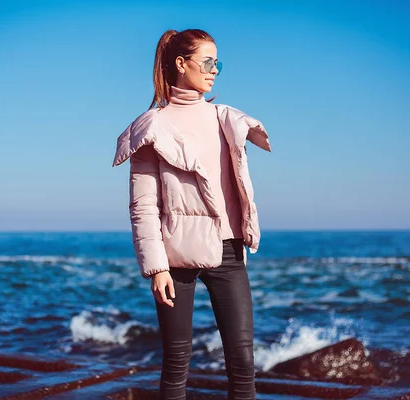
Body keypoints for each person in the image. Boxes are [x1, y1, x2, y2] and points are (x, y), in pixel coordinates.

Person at [112, 28, 271, 400]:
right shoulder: (151, 128)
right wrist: (156, 267)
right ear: (181, 64)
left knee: (243, 361)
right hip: (175, 259)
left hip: (229, 251)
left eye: (218, 62)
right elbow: (143, 205)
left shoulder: (225, 118)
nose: (214, 70)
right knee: (177, 360)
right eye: (207, 61)